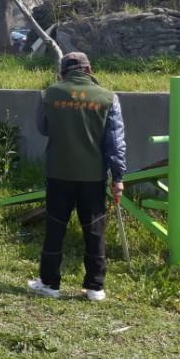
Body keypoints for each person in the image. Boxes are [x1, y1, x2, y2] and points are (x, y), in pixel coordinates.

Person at [29, 52, 126, 301]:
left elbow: (43, 128)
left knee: (55, 227)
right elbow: (115, 142)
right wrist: (118, 177)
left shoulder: (48, 94)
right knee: (94, 230)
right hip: (93, 176)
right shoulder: (108, 97)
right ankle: (95, 286)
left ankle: (50, 283)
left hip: (59, 173)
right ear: (89, 69)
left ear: (62, 72)